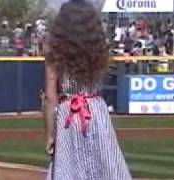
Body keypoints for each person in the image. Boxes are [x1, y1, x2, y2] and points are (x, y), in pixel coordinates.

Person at [44, 0, 132, 180]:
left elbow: (50, 97)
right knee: (106, 167)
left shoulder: (54, 49)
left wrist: (50, 135)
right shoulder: (99, 46)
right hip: (96, 110)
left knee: (69, 170)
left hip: (68, 112)